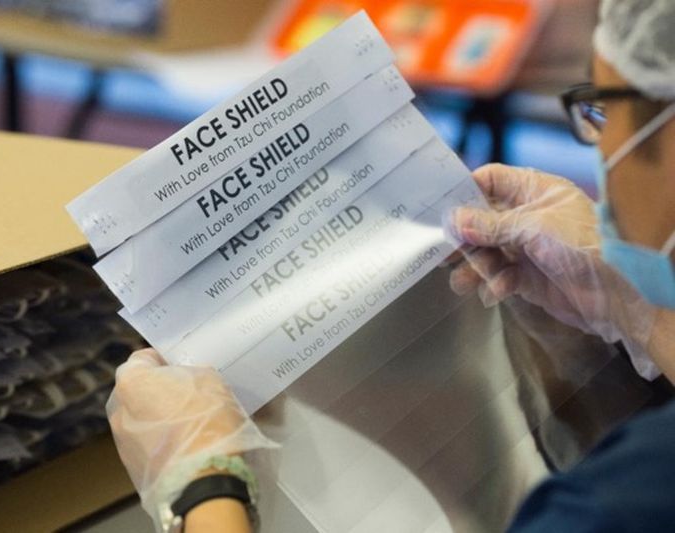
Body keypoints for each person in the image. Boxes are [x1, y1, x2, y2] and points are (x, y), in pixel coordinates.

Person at [106, 1, 675, 531]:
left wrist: (201, 488)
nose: (599, 144)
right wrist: (646, 317)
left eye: (603, 112)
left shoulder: (618, 500)